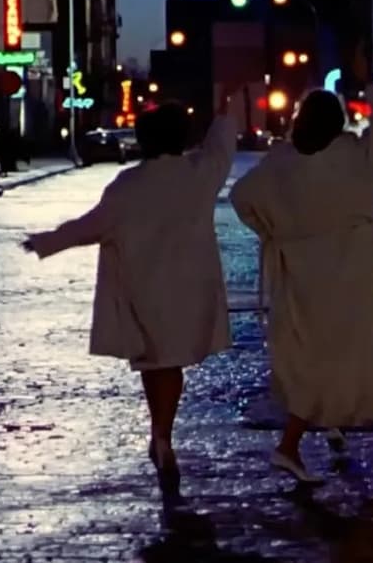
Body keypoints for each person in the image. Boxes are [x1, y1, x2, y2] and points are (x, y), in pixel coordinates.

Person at [21, 97, 237, 497]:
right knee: (170, 365)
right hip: (190, 287)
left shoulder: (126, 186)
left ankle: (160, 435)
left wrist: (45, 241)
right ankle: (162, 436)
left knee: (155, 362)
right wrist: (224, 112)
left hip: (144, 289)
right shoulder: (199, 175)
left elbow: (89, 226)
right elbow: (221, 147)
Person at [230, 47, 373, 484]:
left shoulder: (280, 165)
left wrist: (274, 232)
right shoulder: (355, 156)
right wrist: (364, 80)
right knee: (337, 354)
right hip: (349, 271)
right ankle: (289, 445)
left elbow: (241, 197)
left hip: (301, 273)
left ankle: (331, 421)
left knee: (311, 351)